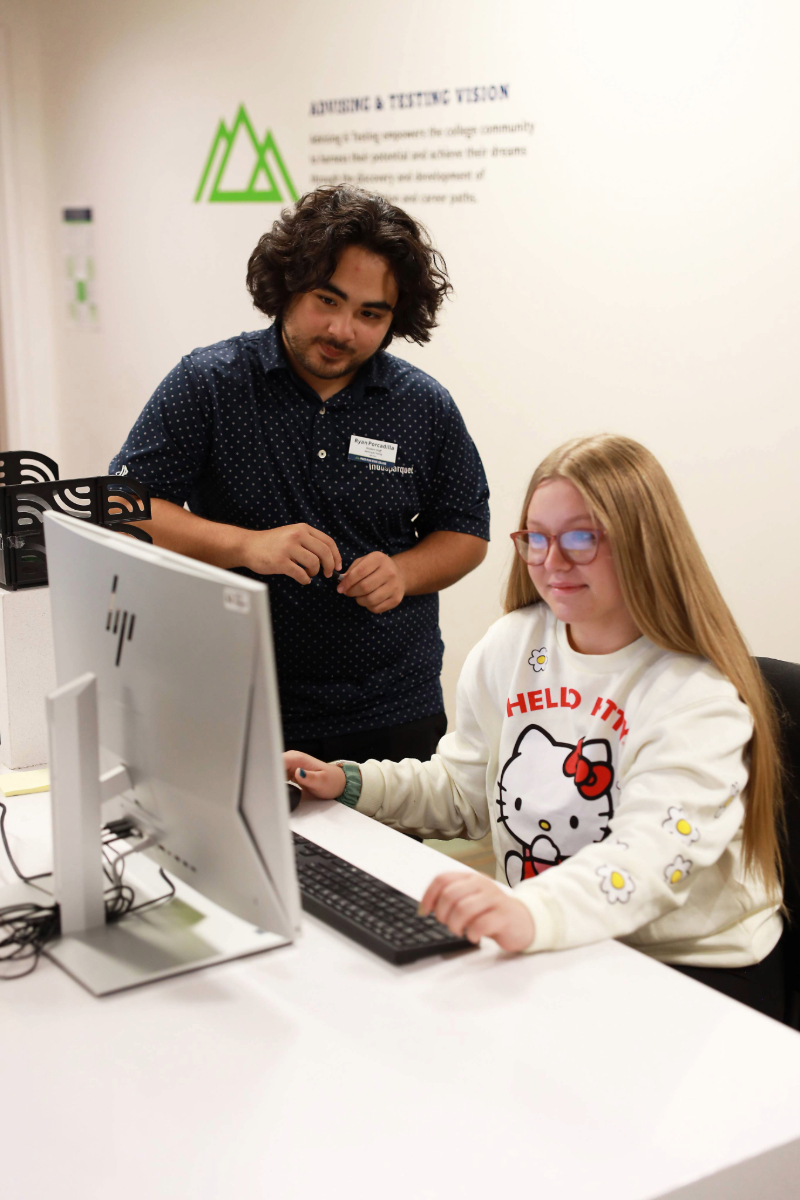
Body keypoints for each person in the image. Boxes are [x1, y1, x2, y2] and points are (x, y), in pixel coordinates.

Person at [285, 434, 788, 1021]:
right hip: (558, 939)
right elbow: (464, 792)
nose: (552, 561)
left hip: (689, 970)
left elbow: (651, 859)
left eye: (581, 536)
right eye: (536, 539)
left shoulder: (697, 694)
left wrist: (530, 913)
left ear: (643, 542)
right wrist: (349, 784)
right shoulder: (515, 643)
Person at [110, 185, 489, 760]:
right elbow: (123, 508)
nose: (342, 330)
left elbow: (466, 531)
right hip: (239, 705)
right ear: (286, 286)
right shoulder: (209, 384)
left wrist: (405, 572)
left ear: (396, 318)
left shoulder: (422, 405)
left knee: (388, 856)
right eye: (327, 300)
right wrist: (246, 545)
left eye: (370, 314)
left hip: (392, 713)